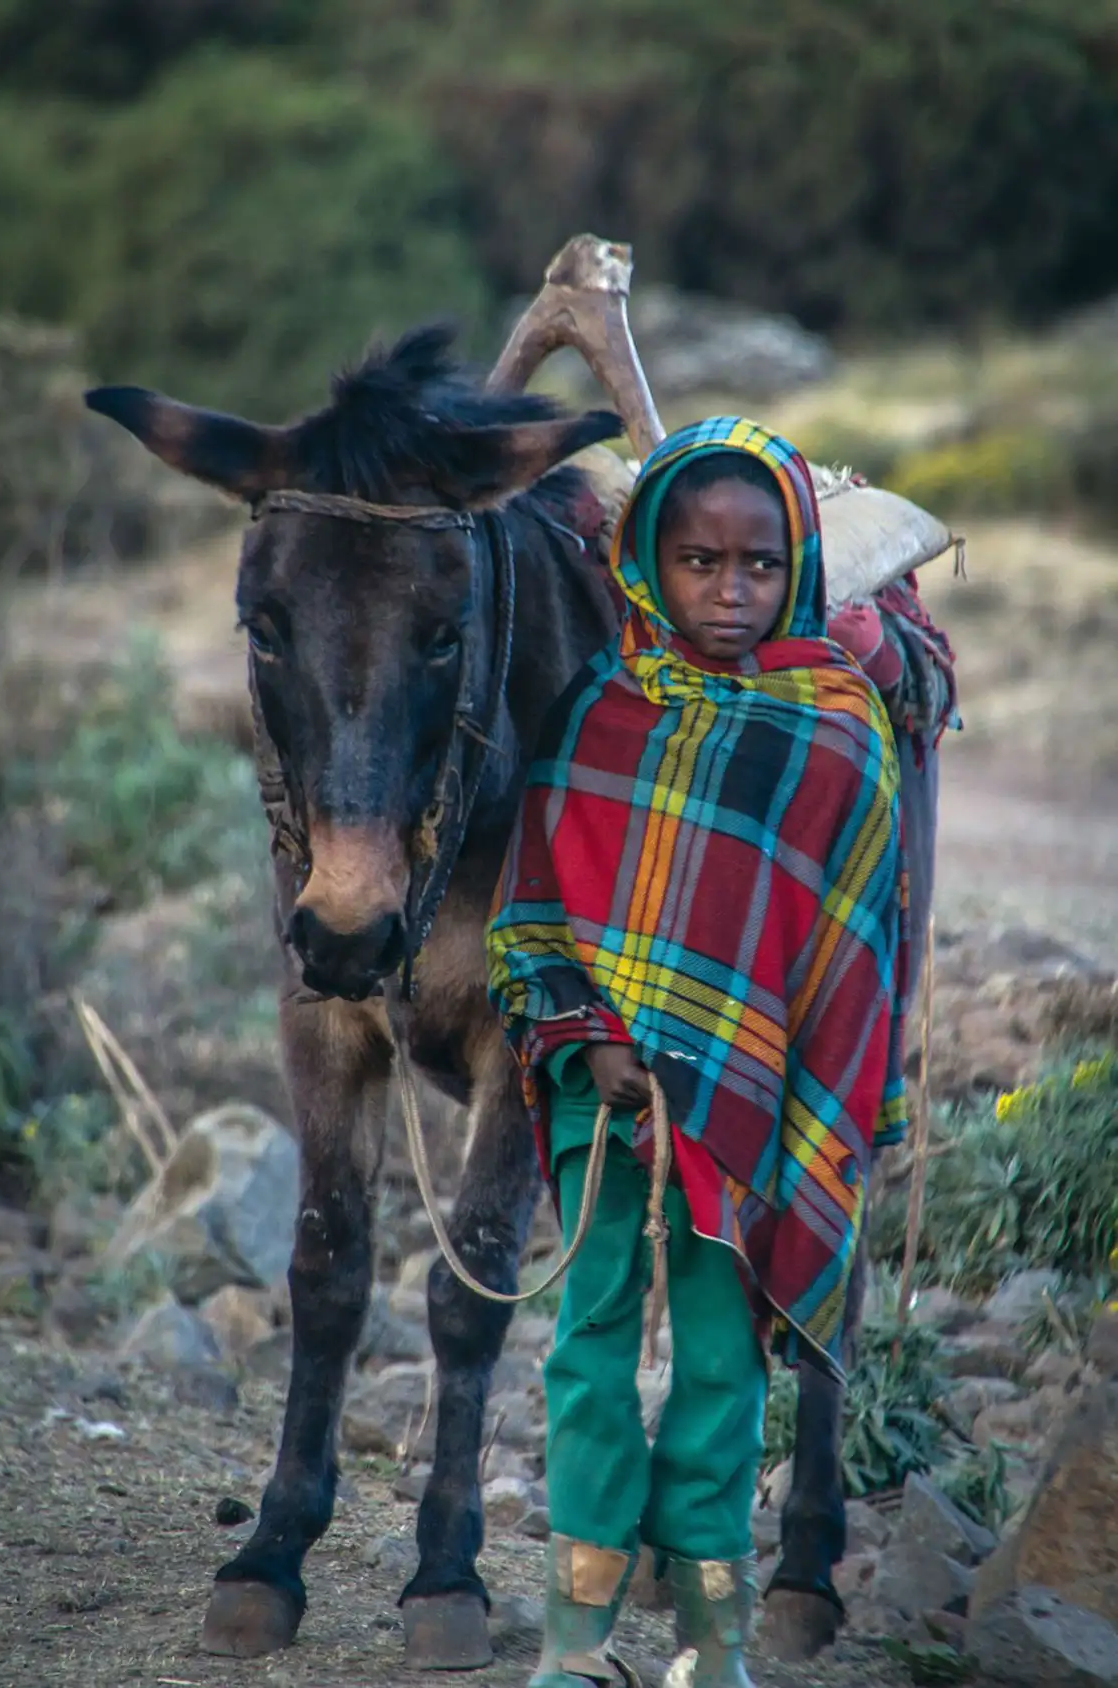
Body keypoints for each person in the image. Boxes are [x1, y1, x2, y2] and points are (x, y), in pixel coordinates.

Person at [486, 418, 908, 1688]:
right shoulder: (599, 712)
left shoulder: (838, 733)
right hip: (602, 1097)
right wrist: (598, 1039)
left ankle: (712, 1642)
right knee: (591, 1333)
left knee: (728, 1358)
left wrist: (817, 1098)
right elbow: (534, 915)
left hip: (759, 1101)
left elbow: (853, 949)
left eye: (762, 566)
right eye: (699, 562)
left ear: (801, 568)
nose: (731, 593)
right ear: (645, 564)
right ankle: (574, 1639)